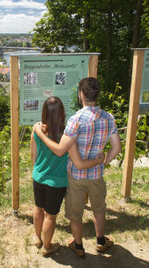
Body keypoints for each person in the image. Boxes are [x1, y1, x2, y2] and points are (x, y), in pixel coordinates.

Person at [34, 78, 121, 258]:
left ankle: (78, 245)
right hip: (96, 175)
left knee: (75, 214)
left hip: (75, 175)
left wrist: (39, 133)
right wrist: (102, 162)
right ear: (97, 94)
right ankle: (100, 241)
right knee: (99, 209)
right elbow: (117, 148)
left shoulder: (76, 120)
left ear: (81, 94)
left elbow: (58, 151)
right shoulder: (108, 118)